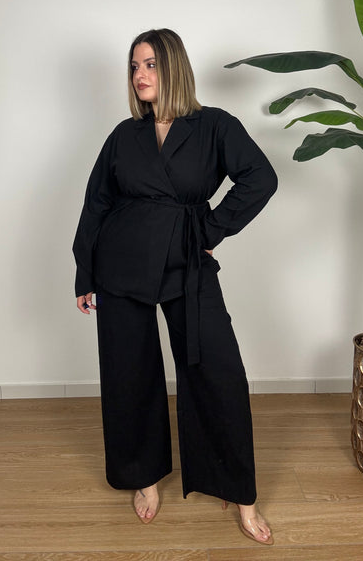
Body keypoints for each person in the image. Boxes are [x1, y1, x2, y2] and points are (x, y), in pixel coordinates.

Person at [73, 28, 278, 545]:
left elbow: (260, 178)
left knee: (218, 372)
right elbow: (97, 202)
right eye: (134, 66)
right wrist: (85, 271)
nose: (139, 75)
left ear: (173, 68)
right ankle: (143, 477)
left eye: (150, 64)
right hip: (120, 264)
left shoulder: (214, 125)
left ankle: (238, 488)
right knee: (129, 374)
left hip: (186, 262)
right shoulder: (124, 135)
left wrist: (209, 231)